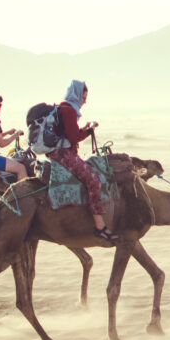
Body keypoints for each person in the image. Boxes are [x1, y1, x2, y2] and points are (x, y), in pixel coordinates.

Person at [48, 80, 118, 243]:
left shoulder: (62, 108)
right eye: (84, 97)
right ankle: (100, 227)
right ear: (77, 95)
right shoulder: (69, 111)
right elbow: (74, 138)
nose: (85, 101)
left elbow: (70, 133)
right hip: (64, 154)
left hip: (60, 152)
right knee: (93, 181)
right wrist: (90, 130)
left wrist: (86, 128)